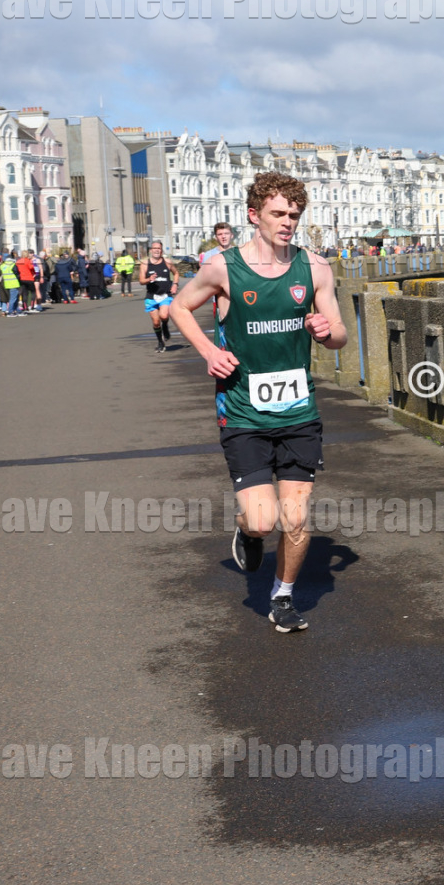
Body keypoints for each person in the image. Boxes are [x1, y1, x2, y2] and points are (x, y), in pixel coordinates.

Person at [170, 172, 346, 634]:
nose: (288, 222)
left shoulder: (316, 268)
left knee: (296, 517)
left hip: (298, 412)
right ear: (254, 215)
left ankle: (282, 596)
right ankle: (247, 531)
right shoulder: (223, 268)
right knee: (263, 521)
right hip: (243, 412)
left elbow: (340, 334)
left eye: (294, 215)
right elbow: (179, 307)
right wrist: (209, 352)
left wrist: (327, 332)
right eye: (278, 214)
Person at [137, 240, 177, 352]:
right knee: (155, 322)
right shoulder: (145, 264)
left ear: (161, 250)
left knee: (164, 316)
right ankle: (160, 342)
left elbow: (176, 273)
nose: (156, 250)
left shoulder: (167, 262)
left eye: (158, 248)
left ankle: (165, 325)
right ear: (151, 250)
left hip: (165, 295)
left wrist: (175, 284)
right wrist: (149, 279)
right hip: (151, 296)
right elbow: (141, 281)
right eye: (154, 248)